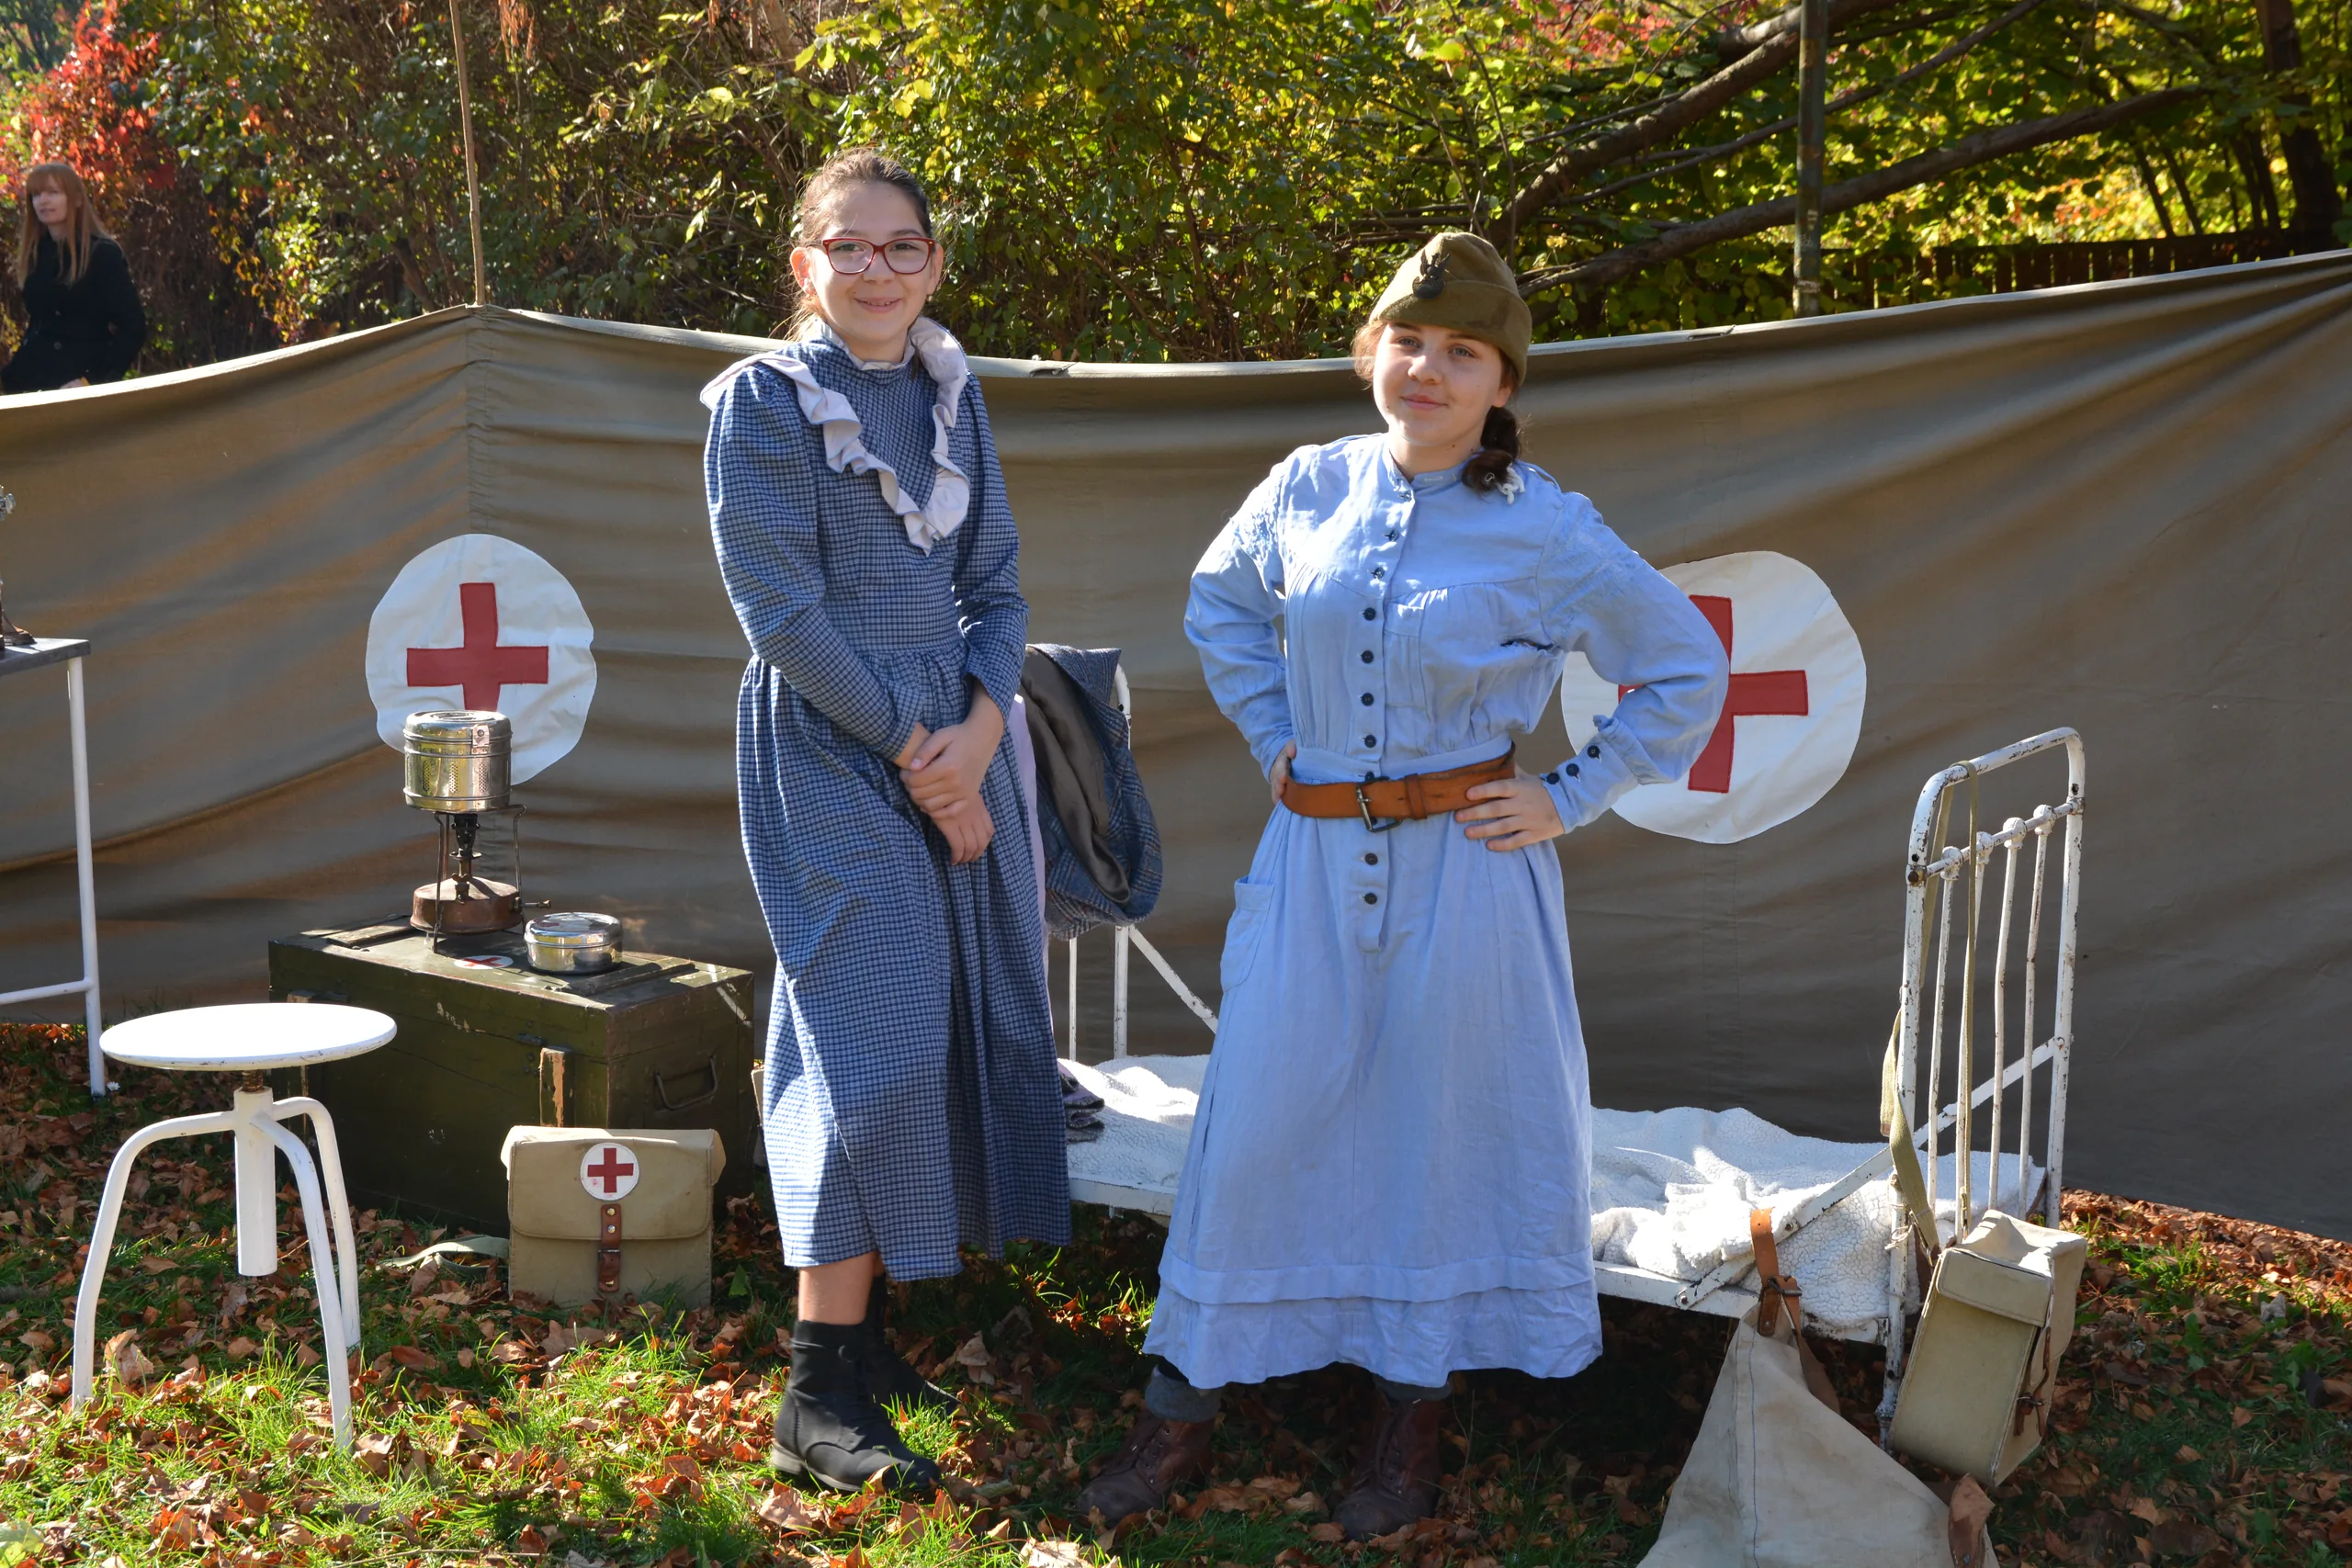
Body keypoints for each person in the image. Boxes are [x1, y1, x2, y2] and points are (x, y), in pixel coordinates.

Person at [1077, 232, 1731, 1537]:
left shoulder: (1546, 524)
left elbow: (1685, 668)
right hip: (1312, 860)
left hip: (1470, 876)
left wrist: (1566, 791)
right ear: (1374, 350)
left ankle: (1407, 1417)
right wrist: (1276, 737)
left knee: (1436, 1136)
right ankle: (1180, 1407)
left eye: (1463, 352)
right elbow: (1220, 603)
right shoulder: (1306, 486)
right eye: (1408, 341)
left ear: (1502, 381)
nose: (1426, 368)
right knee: (1251, 1128)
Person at [700, 148, 1066, 1494]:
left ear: (933, 264)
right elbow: (782, 611)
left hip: (955, 736)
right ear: (805, 266)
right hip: (833, 739)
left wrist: (977, 739)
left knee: (936, 1018)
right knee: (877, 1035)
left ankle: (858, 1347)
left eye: (899, 246)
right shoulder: (762, 403)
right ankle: (812, 1389)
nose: (874, 268)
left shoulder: (950, 398)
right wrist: (922, 758)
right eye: (846, 247)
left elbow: (1004, 593)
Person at [4, 162, 145, 394]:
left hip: (76, 385)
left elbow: (133, 326)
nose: (43, 201)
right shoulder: (36, 253)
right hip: (29, 382)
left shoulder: (102, 253)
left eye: (53, 192)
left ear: (77, 199)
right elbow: (41, 325)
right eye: (36, 194)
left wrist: (94, 381)